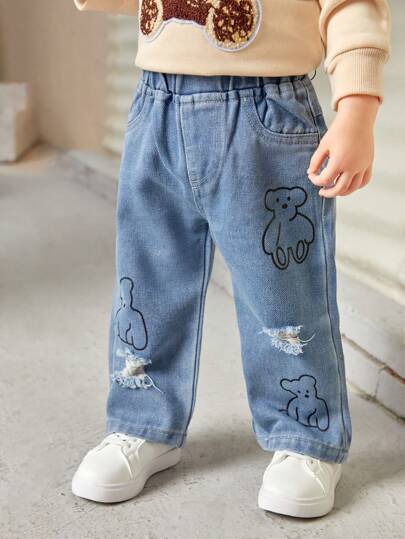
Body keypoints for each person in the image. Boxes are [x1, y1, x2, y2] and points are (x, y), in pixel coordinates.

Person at [71, 0, 390, 518]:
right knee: (145, 283)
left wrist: (357, 106)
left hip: (266, 109)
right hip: (156, 105)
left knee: (283, 291)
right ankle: (143, 420)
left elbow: (351, 6)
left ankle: (305, 434)